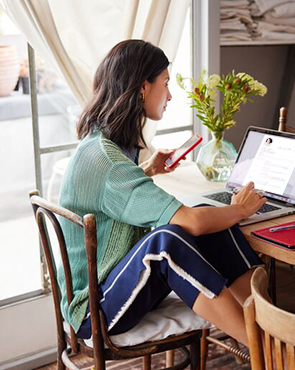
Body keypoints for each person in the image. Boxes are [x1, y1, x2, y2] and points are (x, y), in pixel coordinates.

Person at [58, 39, 267, 346]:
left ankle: (262, 321)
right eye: (165, 83)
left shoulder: (102, 145)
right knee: (170, 241)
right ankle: (263, 348)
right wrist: (240, 210)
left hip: (114, 283)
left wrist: (145, 171)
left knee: (211, 227)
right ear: (143, 87)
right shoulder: (108, 160)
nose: (169, 95)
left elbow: (110, 198)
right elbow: (191, 222)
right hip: (93, 310)